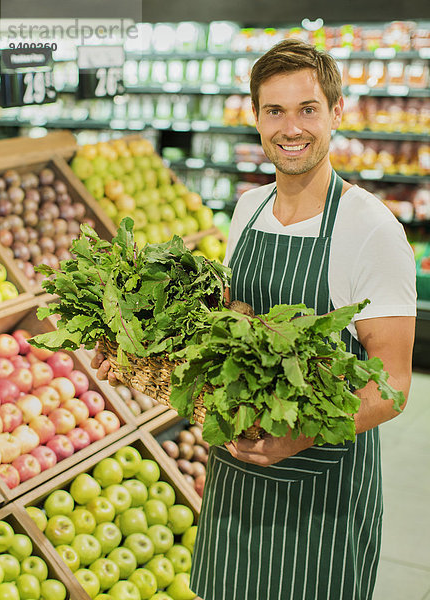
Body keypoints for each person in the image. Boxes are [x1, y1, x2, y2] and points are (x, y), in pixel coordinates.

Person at [92, 39, 416, 600]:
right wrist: (136, 349)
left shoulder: (373, 230)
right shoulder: (248, 208)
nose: (291, 128)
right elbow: (224, 337)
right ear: (256, 117)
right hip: (234, 482)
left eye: (307, 109)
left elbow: (395, 385)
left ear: (337, 112)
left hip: (322, 497)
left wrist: (300, 435)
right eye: (275, 110)